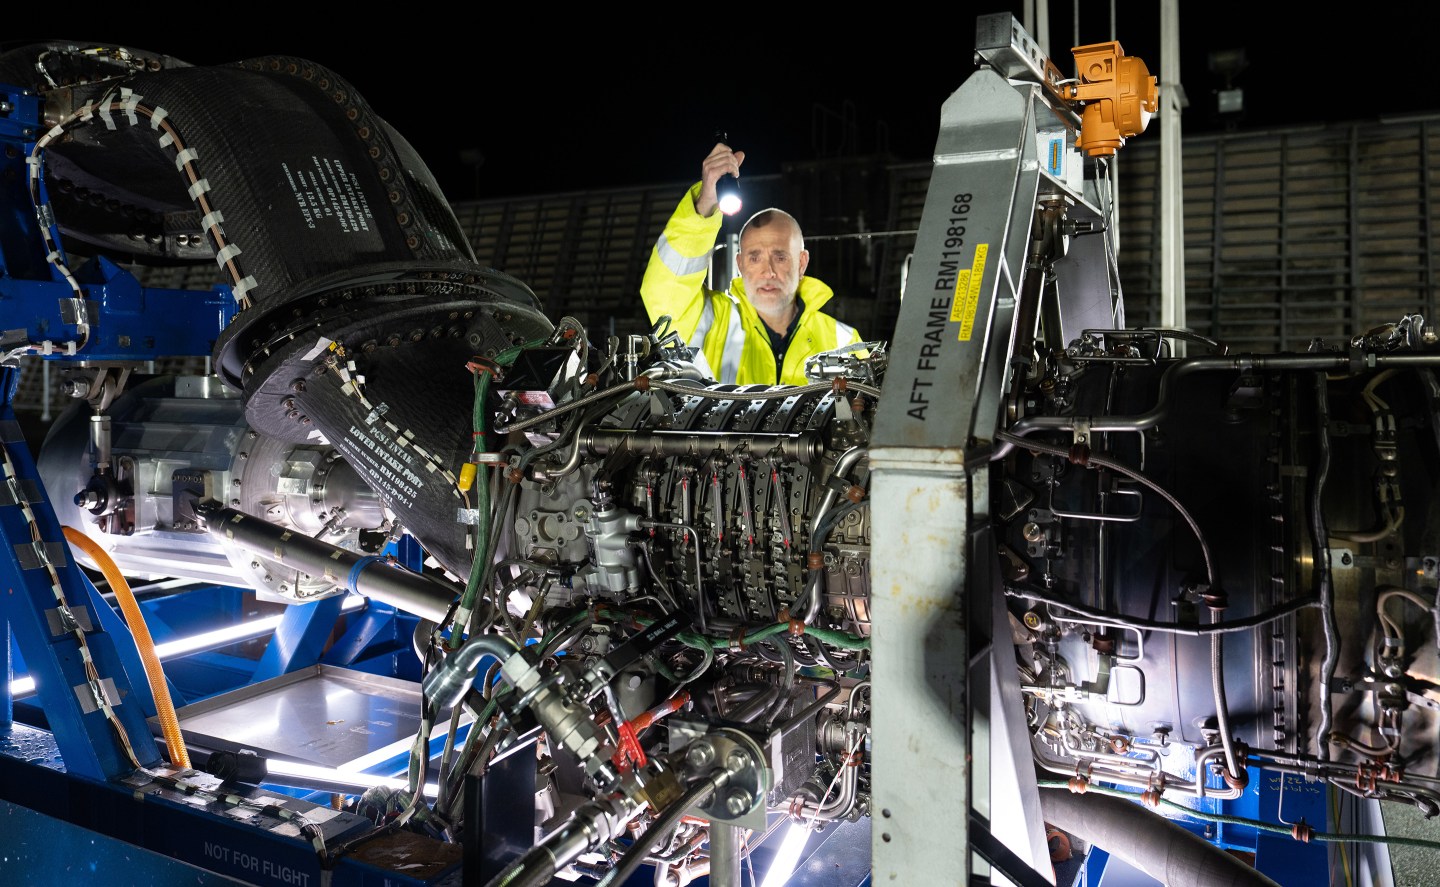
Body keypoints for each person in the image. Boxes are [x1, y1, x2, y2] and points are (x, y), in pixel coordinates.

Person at [640, 142, 861, 386]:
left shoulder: (845, 342)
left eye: (780, 256)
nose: (768, 271)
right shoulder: (713, 320)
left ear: (802, 263)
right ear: (740, 264)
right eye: (754, 257)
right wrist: (704, 205)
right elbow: (664, 291)